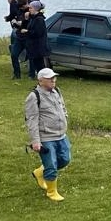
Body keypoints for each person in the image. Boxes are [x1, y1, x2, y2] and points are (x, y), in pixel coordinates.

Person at [24, 67, 70, 202]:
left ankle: (39, 172)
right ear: (41, 81)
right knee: (51, 165)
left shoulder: (57, 91)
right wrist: (35, 141)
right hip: (46, 137)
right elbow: (31, 120)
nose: (53, 80)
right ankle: (51, 192)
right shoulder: (34, 97)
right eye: (49, 78)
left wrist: (65, 117)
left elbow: (62, 107)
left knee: (65, 159)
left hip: (61, 135)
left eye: (54, 77)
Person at [23, 0, 50, 73]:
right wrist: (26, 19)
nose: (29, 10)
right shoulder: (33, 18)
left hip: (38, 47)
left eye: (30, 8)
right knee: (37, 65)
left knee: (40, 66)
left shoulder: (39, 19)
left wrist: (27, 32)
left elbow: (38, 33)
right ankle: (40, 77)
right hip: (33, 46)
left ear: (35, 9)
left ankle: (43, 78)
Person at [5, 0, 27, 79]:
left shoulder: (28, 12)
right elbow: (15, 17)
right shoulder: (19, 10)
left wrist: (11, 20)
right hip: (19, 36)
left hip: (27, 37)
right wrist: (15, 23)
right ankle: (17, 74)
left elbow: (25, 23)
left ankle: (32, 74)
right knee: (14, 54)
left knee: (31, 55)